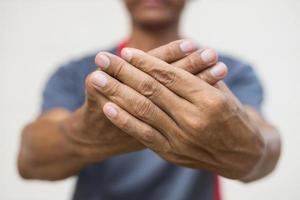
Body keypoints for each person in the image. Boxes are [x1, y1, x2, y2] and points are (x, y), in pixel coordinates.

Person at [17, 0, 281, 200]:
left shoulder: (228, 71)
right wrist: (86, 134)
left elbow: (266, 143)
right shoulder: (76, 72)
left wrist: (252, 149)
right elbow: (29, 159)